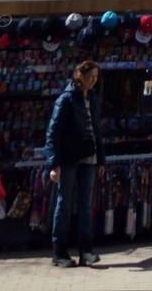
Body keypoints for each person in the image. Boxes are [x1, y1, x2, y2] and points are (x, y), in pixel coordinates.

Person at [44, 60, 106, 268]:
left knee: (86, 204)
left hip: (89, 155)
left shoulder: (94, 98)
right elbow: (53, 132)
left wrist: (102, 159)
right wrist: (53, 163)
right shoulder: (66, 99)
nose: (93, 81)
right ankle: (59, 251)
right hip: (69, 157)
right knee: (64, 202)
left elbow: (97, 130)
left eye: (96, 78)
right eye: (91, 77)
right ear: (80, 75)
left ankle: (86, 251)